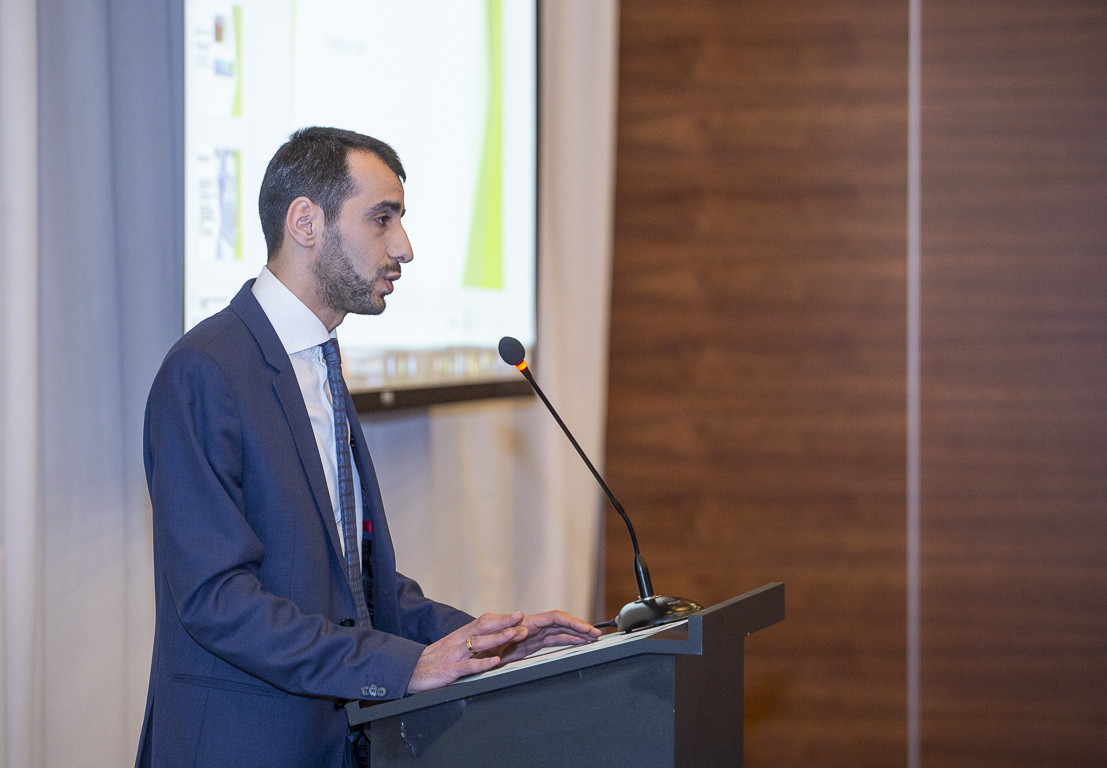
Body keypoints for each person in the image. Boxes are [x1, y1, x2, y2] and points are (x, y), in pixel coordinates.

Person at [135, 127, 600, 768]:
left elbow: (353, 589)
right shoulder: (206, 370)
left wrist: (483, 642)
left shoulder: (320, 364)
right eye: (382, 219)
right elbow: (216, 600)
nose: (404, 247)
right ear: (305, 222)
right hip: (243, 746)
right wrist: (403, 667)